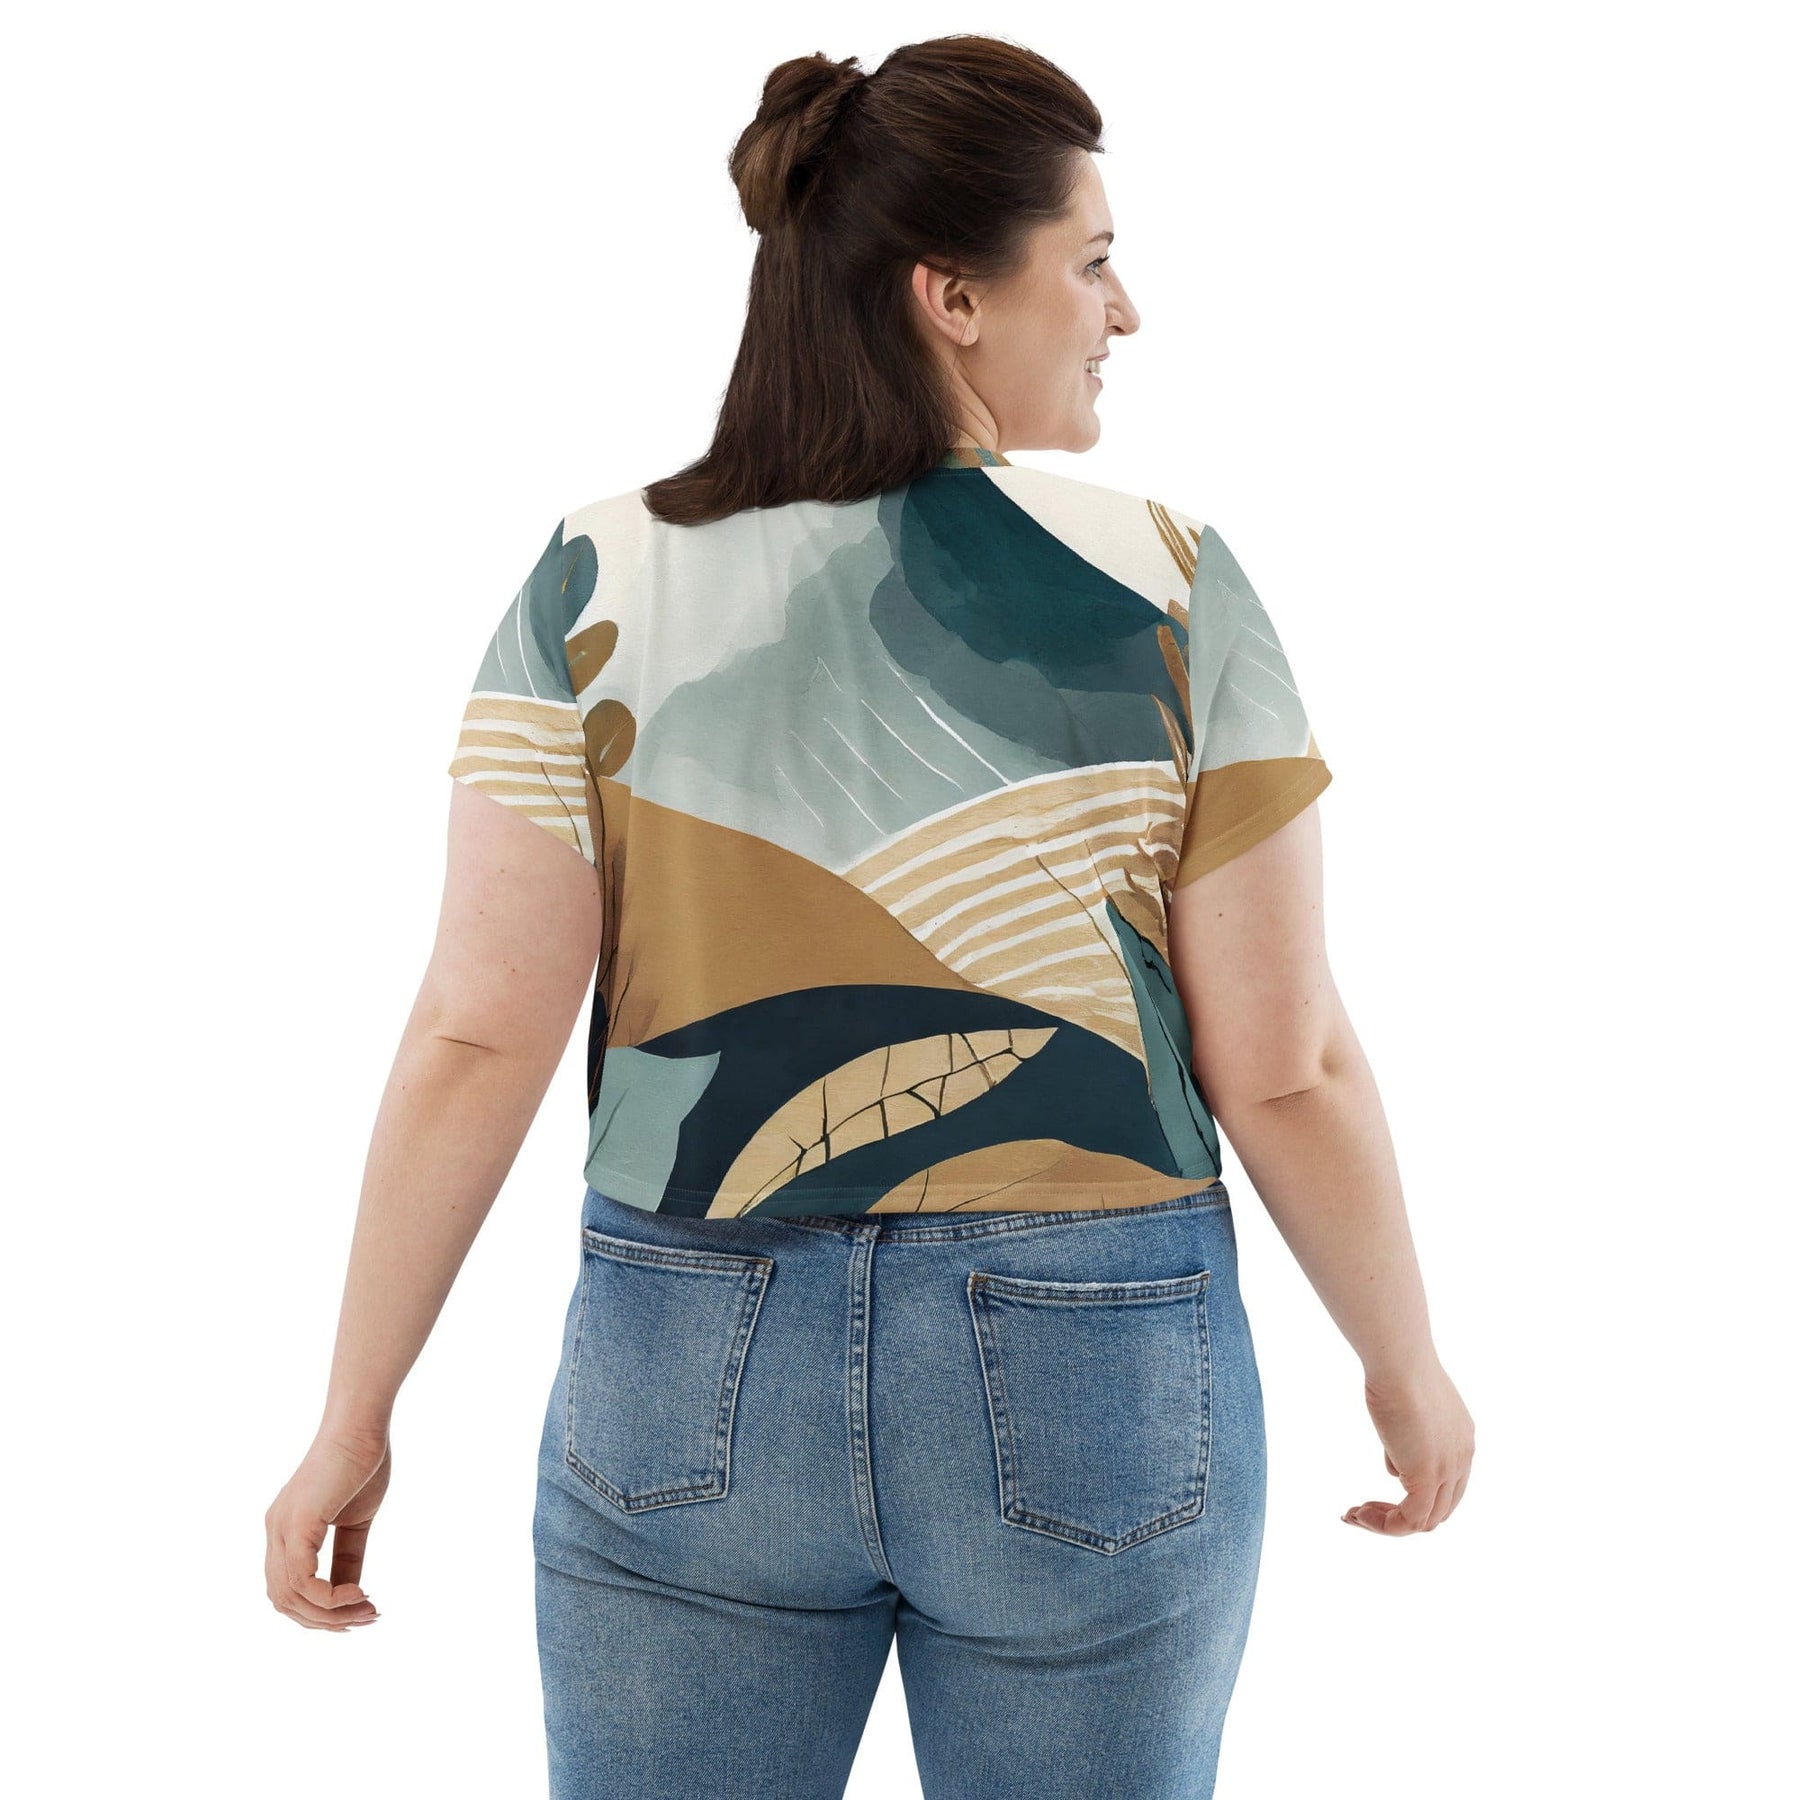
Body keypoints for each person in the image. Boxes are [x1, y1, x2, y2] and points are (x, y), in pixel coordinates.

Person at [264, 34, 1475, 1800]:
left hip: (687, 1340)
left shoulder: (596, 578)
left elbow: (477, 1030)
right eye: (1092, 261)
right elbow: (1283, 1062)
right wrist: (1403, 1360)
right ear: (951, 296)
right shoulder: (1168, 584)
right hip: (1093, 1349)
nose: (1124, 313)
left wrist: (354, 1412)